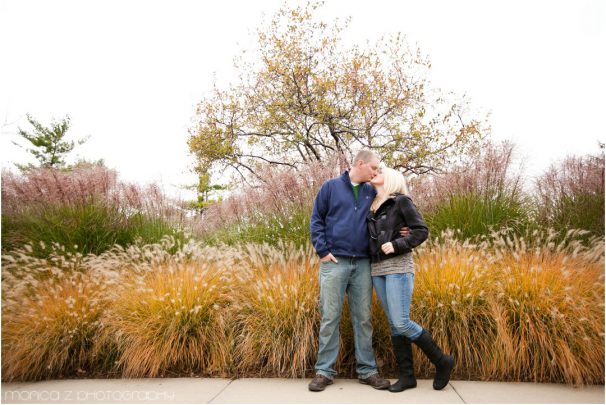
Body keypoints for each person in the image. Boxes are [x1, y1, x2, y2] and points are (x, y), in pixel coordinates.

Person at [308, 149, 391, 392]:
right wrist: (322, 251)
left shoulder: (371, 191)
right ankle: (324, 371)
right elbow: (316, 219)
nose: (376, 172)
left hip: (363, 263)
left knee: (363, 318)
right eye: (374, 168)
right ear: (361, 163)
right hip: (335, 262)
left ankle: (367, 371)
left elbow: (391, 212)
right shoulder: (330, 187)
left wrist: (404, 231)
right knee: (330, 316)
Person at [368, 167, 455, 392]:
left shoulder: (401, 202)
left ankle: (442, 361)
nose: (374, 173)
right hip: (377, 270)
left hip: (398, 267)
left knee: (401, 322)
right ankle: (407, 377)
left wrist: (397, 244)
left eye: (379, 171)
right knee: (394, 325)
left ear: (391, 178)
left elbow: (421, 231)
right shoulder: (372, 206)